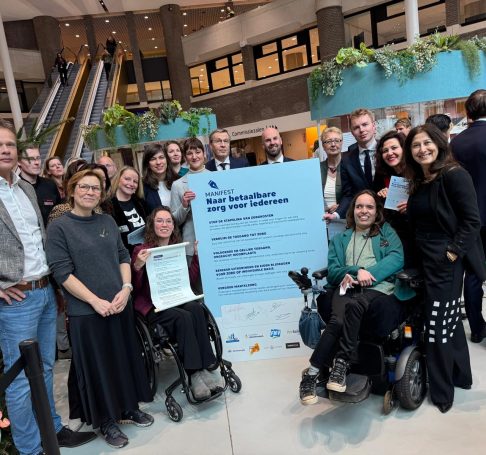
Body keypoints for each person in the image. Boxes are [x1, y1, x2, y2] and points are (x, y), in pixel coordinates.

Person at [0, 119, 96, 454]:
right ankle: (30, 449)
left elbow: (38, 241)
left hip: (44, 290)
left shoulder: (25, 189)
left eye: (9, 144)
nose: (5, 150)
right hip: (16, 300)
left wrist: (54, 286)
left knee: (45, 369)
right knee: (20, 380)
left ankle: (52, 432)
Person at [46, 169, 154, 449]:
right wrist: (94, 301)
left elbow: (122, 256)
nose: (90, 192)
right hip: (86, 312)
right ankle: (106, 420)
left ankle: (128, 407)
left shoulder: (107, 220)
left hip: (119, 304)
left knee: (124, 359)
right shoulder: (59, 227)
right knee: (98, 368)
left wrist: (126, 289)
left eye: (95, 188)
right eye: (84, 187)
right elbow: (62, 273)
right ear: (72, 190)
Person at [404, 123, 485, 413]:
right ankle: (462, 376)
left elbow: (472, 221)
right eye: (416, 145)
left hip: (445, 261)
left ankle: (441, 393)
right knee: (449, 321)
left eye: (427, 143)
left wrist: (451, 254)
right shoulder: (419, 181)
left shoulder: (454, 174)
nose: (422, 149)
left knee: (436, 326)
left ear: (439, 144)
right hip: (424, 259)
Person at [299, 190, 409, 404]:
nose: (364, 211)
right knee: (337, 321)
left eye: (369, 207)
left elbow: (397, 258)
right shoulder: (340, 239)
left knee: (354, 306)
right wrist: (356, 271)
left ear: (376, 212)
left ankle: (340, 364)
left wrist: (370, 275)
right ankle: (311, 374)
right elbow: (334, 271)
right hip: (346, 288)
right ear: (353, 210)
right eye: (359, 206)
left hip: (378, 288)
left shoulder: (386, 233)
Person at [131, 206, 223, 399]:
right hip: (153, 305)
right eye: (160, 221)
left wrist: (196, 256)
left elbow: (186, 281)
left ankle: (204, 366)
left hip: (174, 298)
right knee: (183, 317)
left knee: (196, 309)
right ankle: (194, 374)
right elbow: (136, 289)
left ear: (173, 226)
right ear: (152, 225)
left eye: (168, 221)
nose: (164, 224)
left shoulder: (176, 248)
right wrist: (138, 266)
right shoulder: (141, 250)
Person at [451, 89, 486, 343]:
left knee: (474, 273)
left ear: (468, 111)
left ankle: (477, 328)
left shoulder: (456, 143)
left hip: (469, 218)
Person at [171, 138, 209, 293]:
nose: (194, 156)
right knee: (198, 290)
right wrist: (184, 205)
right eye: (189, 153)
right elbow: (174, 220)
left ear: (204, 153)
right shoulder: (178, 185)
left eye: (197, 152)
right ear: (185, 157)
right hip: (191, 247)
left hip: (216, 242)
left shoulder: (217, 178)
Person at [373, 130, 414, 267]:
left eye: (394, 148)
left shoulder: (415, 171)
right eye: (385, 150)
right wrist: (380, 195)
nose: (390, 153)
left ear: (404, 149)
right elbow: (377, 203)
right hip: (393, 234)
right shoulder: (381, 174)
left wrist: (411, 204)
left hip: (416, 233)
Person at [334, 108, 378, 219]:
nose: (361, 130)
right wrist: (336, 214)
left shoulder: (387, 151)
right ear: (352, 132)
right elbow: (349, 194)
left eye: (365, 124)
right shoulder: (346, 160)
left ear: (373, 126)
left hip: (390, 216)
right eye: (356, 127)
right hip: (362, 217)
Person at [17, 145, 61, 227]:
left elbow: (59, 212)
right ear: (19, 162)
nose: (37, 162)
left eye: (38, 158)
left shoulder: (50, 185)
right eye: (30, 159)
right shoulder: (14, 188)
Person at [110, 166, 147, 252]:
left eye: (135, 181)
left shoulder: (142, 203)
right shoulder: (108, 206)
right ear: (118, 179)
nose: (131, 184)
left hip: (146, 251)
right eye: (127, 179)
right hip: (124, 255)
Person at [320, 127, 345, 238]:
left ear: (342, 142)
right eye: (329, 141)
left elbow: (355, 193)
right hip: (323, 223)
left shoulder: (350, 166)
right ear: (323, 145)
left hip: (346, 221)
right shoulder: (317, 168)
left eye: (337, 140)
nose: (333, 144)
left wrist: (341, 207)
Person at [142, 143, 179, 213]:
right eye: (153, 159)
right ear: (147, 164)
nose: (158, 162)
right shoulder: (143, 187)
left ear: (167, 160)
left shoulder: (179, 180)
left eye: (161, 157)